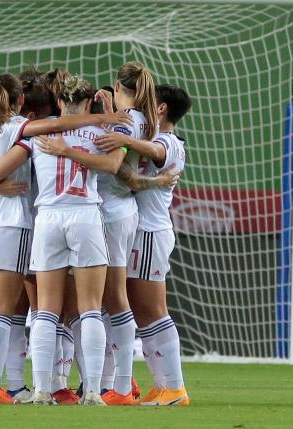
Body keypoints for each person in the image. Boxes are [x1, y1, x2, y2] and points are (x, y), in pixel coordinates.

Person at [0, 73, 132, 405]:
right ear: (89, 100)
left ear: (60, 101)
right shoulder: (100, 133)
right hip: (85, 215)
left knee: (45, 310)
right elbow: (113, 164)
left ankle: (42, 390)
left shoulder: (37, 134)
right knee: (90, 308)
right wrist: (108, 120)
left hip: (46, 218)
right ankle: (93, 390)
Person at [103, 84, 191, 406]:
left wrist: (124, 139)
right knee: (142, 312)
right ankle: (162, 386)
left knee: (154, 310)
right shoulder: (157, 137)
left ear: (163, 108)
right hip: (144, 231)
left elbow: (156, 153)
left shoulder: (168, 142)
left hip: (152, 232)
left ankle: (176, 388)